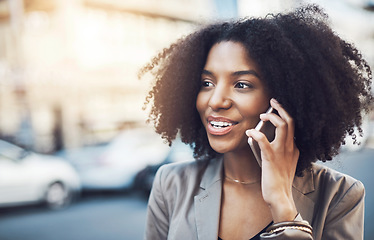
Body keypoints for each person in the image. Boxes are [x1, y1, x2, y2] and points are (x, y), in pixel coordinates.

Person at [139, 4, 373, 240]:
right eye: (207, 83)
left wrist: (282, 204)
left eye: (242, 84)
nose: (216, 100)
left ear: (284, 97)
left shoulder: (340, 194)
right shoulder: (170, 183)